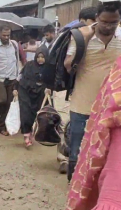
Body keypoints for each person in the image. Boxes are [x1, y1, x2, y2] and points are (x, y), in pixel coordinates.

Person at [64, 1, 121, 183]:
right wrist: (84, 42)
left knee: (105, 152)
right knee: (77, 152)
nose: (109, 26)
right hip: (82, 105)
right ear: (96, 18)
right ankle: (74, 189)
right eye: (104, 21)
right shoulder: (81, 36)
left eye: (114, 22)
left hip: (111, 107)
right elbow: (68, 66)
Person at [66, 57, 121, 210]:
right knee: (76, 153)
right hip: (83, 108)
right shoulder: (81, 42)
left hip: (101, 118)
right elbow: (66, 67)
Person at [56, 6, 97, 175]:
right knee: (71, 125)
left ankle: (66, 158)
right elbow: (67, 64)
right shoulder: (77, 34)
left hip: (72, 90)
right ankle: (66, 159)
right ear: (86, 20)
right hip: (73, 90)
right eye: (94, 21)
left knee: (70, 125)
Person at [14, 47, 49, 147]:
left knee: (36, 114)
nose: (40, 59)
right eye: (38, 57)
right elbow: (19, 77)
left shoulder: (49, 68)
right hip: (25, 91)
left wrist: (48, 88)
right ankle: (26, 136)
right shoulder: (29, 65)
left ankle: (32, 133)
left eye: (43, 57)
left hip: (40, 94)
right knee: (25, 113)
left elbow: (51, 82)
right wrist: (15, 88)